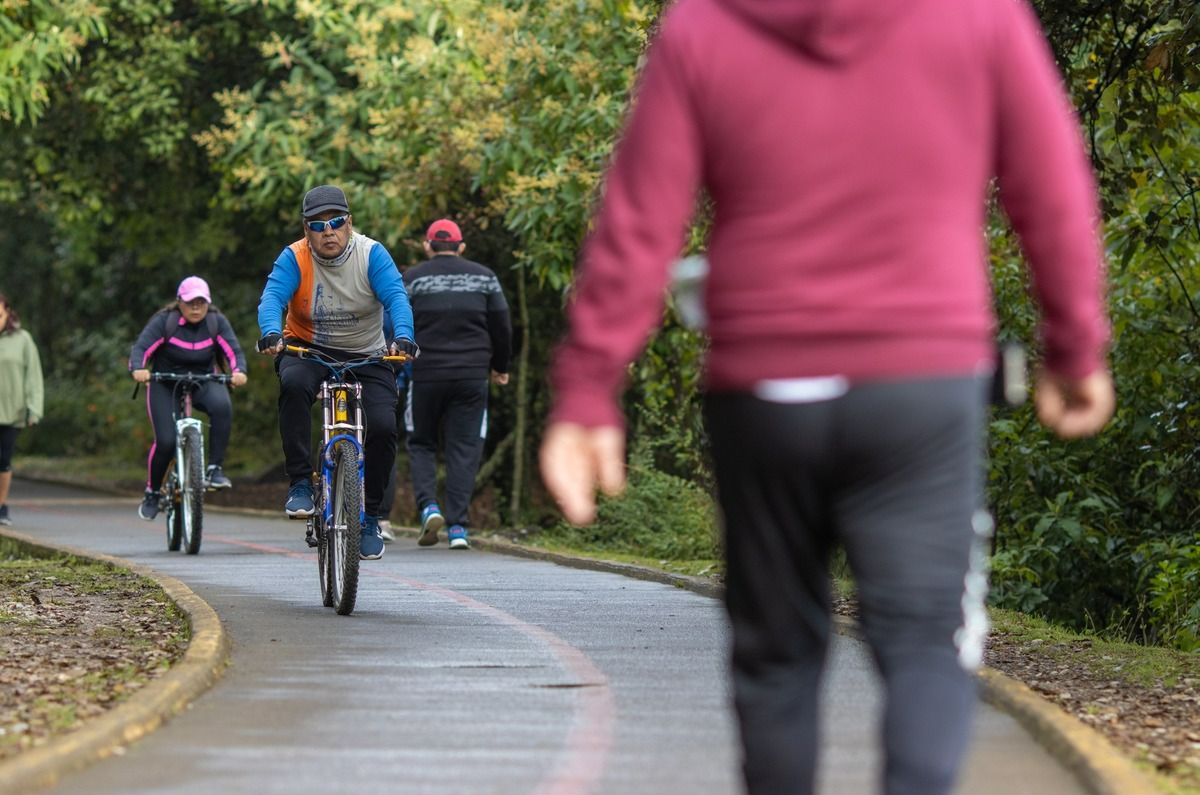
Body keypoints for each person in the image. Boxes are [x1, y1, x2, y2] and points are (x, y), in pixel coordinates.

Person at [539, 2, 1115, 795]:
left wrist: (588, 390)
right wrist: (1075, 348)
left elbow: (640, 223)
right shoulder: (979, 15)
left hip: (763, 391)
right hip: (918, 386)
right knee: (924, 643)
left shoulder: (706, 25)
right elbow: (1050, 187)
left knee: (777, 656)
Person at [256, 184, 416, 561]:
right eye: (318, 224)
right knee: (293, 384)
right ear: (306, 229)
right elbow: (273, 298)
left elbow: (396, 297)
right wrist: (271, 332)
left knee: (383, 426)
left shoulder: (371, 254)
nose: (328, 230)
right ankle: (299, 483)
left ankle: (371, 516)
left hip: (367, 353)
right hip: (306, 349)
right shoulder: (294, 257)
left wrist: (405, 337)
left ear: (349, 222)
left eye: (336, 221)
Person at [403, 219, 511, 550]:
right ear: (461, 246)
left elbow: (394, 319)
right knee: (463, 447)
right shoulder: (484, 277)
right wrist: (500, 366)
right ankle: (459, 528)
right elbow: (502, 324)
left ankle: (428, 507)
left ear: (427, 246)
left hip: (425, 374)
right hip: (472, 375)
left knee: (420, 442)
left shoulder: (412, 279)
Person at [129, 276, 248, 520]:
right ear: (179, 302)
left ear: (208, 303)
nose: (196, 307)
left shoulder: (216, 322)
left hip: (203, 380)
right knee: (165, 441)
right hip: (165, 382)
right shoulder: (165, 321)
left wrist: (239, 372)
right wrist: (138, 369)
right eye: (190, 302)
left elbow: (234, 351)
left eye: (201, 302)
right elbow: (140, 348)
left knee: (223, 405)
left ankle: (214, 469)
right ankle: (152, 491)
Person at [0, 292, 44, 527]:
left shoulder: (22, 339)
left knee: (3, 460)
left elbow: (33, 376)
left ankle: (1, 505)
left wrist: (33, 408)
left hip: (11, 412)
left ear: (7, 313)